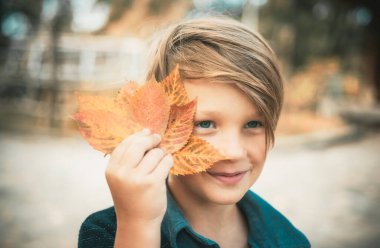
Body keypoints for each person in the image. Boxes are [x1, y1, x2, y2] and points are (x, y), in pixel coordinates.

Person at [78, 16, 310, 248]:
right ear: (159, 125)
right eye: (206, 124)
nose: (233, 151)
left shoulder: (289, 240)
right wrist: (139, 225)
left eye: (253, 124)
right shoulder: (108, 232)